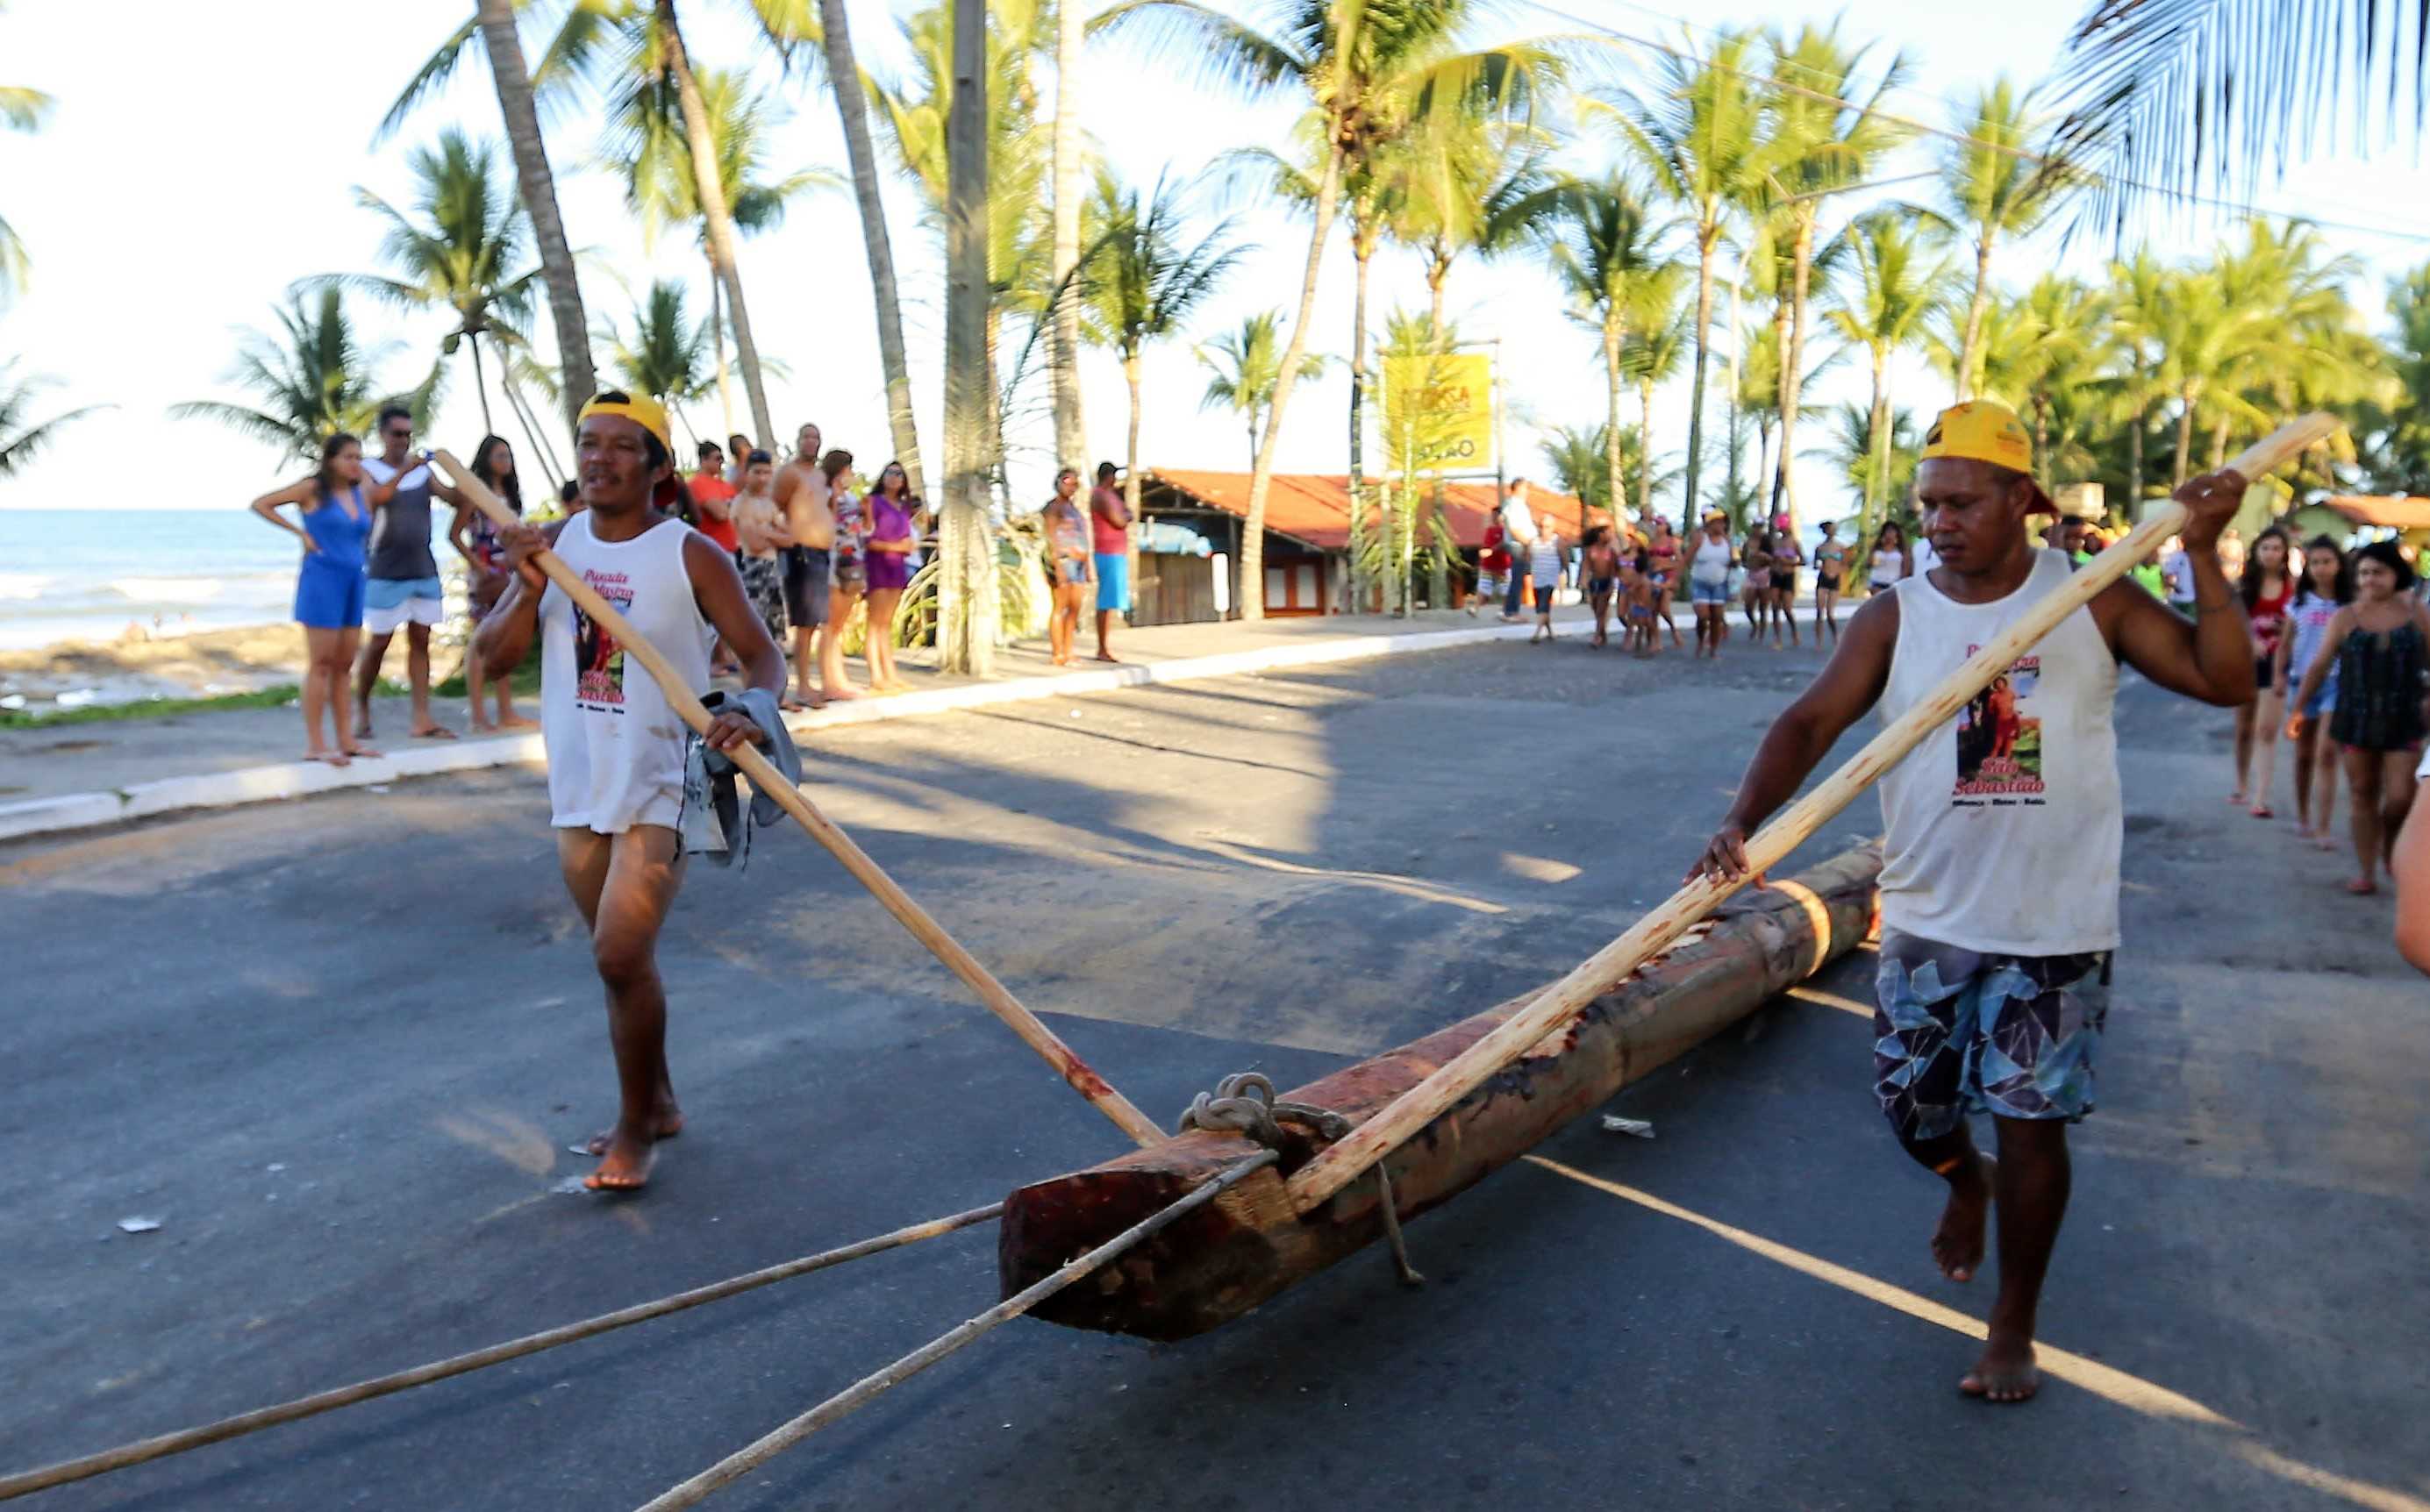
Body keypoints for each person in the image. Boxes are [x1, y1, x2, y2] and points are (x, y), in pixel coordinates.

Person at [1688, 398, 2256, 1405]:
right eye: (1927, 503)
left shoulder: (2092, 598)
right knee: (1914, 1110)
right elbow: (1812, 717)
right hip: (1925, 912)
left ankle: (2013, 1320)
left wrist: (2206, 553)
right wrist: (1742, 820)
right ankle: (1964, 1182)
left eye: (1960, 501)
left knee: (2033, 1121)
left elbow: (2224, 683)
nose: (1938, 521)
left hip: (2054, 924)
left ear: (2022, 500)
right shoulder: (1896, 614)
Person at [472, 392, 783, 1192]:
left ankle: (636, 1128)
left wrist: (751, 711)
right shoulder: (554, 545)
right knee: (623, 966)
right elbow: (494, 659)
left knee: (618, 951)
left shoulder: (689, 555)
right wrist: (523, 580)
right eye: (587, 443)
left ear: (659, 468)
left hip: (666, 780)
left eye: (619, 445)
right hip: (580, 778)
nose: (598, 458)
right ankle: (663, 1099)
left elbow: (762, 658)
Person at [2290, 539, 2430, 895]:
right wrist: (2298, 710)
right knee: (2361, 793)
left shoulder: (2416, 611)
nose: (2370, 579)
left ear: (2396, 573)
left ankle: (2390, 847)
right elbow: (2319, 666)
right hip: (2356, 717)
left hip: (2405, 717)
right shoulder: (2345, 617)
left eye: (2378, 572)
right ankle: (2366, 870)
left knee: (2401, 797)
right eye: (2364, 572)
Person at [249, 432, 381, 767]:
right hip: (323, 580)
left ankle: (347, 741)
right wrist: (301, 534)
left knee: (344, 666)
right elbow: (261, 503)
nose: (356, 463)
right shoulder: (311, 489)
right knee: (321, 664)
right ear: (331, 460)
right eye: (348, 457)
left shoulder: (360, 490)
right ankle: (317, 744)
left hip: (355, 580)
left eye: (358, 457)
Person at [354, 404, 467, 740]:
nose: (403, 440)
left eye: (408, 434)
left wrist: (462, 477)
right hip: (384, 569)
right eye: (397, 434)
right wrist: (406, 470)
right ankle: (361, 707)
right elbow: (378, 497)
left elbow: (453, 498)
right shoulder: (368, 469)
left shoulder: (423, 473)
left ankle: (422, 717)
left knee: (421, 641)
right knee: (378, 644)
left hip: (422, 568)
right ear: (383, 435)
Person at [449, 436, 537, 734]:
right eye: (499, 455)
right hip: (485, 570)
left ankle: (505, 711)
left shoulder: (510, 495)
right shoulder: (476, 494)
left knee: (504, 636)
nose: (505, 461)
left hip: (508, 570)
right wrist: (478, 567)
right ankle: (477, 714)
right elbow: (455, 535)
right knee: (479, 642)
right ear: (486, 458)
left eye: (508, 455)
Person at [2279, 536, 2351, 851]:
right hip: (2301, 682)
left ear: (2339, 564)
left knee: (2326, 753)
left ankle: (2323, 825)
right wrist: (2280, 677)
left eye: (2328, 562)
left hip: (2338, 682)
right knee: (2304, 754)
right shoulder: (2298, 604)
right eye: (2316, 563)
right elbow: (2284, 645)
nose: (2322, 569)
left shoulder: (2349, 606)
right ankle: (2304, 815)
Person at [2229, 525, 2295, 814]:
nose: (2271, 553)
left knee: (2266, 730)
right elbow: (2233, 618)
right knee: (2244, 728)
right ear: (2256, 552)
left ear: (2284, 553)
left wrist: (2287, 631)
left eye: (2276, 548)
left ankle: (2261, 797)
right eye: (2266, 547)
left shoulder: (2293, 587)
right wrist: (2249, 638)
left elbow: (2299, 622)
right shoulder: (2245, 585)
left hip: (2277, 663)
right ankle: (2242, 784)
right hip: (2246, 660)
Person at [772, 423, 834, 707]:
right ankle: (803, 686)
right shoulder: (789, 473)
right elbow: (774, 506)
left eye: (816, 437)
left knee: (818, 621)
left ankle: (817, 682)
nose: (812, 442)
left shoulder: (822, 475)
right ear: (798, 441)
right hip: (801, 553)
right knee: (804, 621)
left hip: (823, 554)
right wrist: (787, 537)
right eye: (807, 437)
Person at [862, 460, 918, 692]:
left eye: (899, 474)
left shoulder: (903, 507)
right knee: (875, 623)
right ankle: (876, 676)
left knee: (887, 624)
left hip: (897, 567)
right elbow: (867, 539)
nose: (894, 477)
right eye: (890, 472)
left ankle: (890, 673)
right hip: (877, 564)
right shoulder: (873, 503)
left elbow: (908, 537)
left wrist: (907, 546)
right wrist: (895, 547)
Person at [729, 449, 791, 650]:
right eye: (757, 472)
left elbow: (791, 538)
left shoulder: (770, 503)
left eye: (766, 472)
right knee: (755, 626)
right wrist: (774, 534)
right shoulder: (741, 503)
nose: (762, 478)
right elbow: (754, 544)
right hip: (752, 566)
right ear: (747, 473)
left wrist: (766, 532)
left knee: (775, 627)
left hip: (772, 566)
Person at [821, 449, 870, 699]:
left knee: (839, 625)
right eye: (848, 468)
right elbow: (826, 523)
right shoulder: (826, 495)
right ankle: (830, 682)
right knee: (830, 625)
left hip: (853, 560)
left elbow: (863, 530)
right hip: (833, 560)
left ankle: (840, 679)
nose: (851, 473)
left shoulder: (852, 498)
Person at [1042, 467, 1093, 666]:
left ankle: (1069, 649)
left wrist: (1088, 564)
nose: (1072, 487)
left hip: (1079, 561)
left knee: (1074, 608)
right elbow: (1050, 539)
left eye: (1075, 484)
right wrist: (1057, 565)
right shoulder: (1053, 508)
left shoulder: (1074, 509)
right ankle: (1057, 653)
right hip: (1063, 561)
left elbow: (1082, 537)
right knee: (1060, 607)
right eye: (1068, 482)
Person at [1089, 462, 1133, 661]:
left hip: (1117, 552)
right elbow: (1120, 520)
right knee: (1105, 602)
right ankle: (1101, 648)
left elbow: (1127, 513)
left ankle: (1105, 646)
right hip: (1107, 552)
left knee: (1111, 601)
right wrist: (1125, 516)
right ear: (1108, 476)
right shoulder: (1100, 495)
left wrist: (1126, 515)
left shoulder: (1113, 496)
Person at [1687, 511, 1735, 659]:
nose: (1722, 525)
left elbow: (1732, 562)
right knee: (1703, 615)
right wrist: (1676, 579)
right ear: (1710, 524)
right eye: (1718, 522)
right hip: (1700, 583)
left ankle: (1713, 648)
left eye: (1723, 522)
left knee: (1717, 617)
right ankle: (1701, 640)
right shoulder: (1700, 539)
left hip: (1720, 584)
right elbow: (1686, 559)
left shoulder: (1727, 541)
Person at [1499, 478, 1539, 622]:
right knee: (1518, 579)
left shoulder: (1516, 504)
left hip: (1522, 544)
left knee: (1518, 578)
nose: (1527, 491)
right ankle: (1511, 611)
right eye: (1525, 488)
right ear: (1518, 488)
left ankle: (1508, 609)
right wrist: (1527, 545)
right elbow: (1515, 529)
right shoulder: (1514, 505)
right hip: (1520, 545)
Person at [1582, 524, 1621, 648]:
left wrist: (1612, 584)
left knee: (1601, 609)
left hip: (1607, 580)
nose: (1610, 535)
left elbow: (1615, 568)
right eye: (1608, 532)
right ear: (1600, 535)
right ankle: (1603, 633)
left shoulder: (1612, 551)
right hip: (1595, 581)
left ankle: (1597, 636)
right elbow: (1586, 565)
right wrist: (1584, 580)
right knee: (1595, 608)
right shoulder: (1591, 549)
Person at [1647, 515, 1682, 651]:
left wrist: (1665, 566)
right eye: (1656, 524)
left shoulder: (1672, 541)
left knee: (1664, 609)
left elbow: (1680, 561)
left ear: (1667, 526)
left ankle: (1673, 629)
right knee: (1653, 610)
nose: (1658, 527)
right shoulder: (1652, 541)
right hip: (1654, 576)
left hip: (1668, 576)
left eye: (1660, 524)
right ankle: (1656, 641)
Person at [1767, 514, 1803, 648]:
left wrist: (1789, 562)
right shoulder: (1775, 542)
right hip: (1776, 575)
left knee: (1787, 608)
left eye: (1784, 528)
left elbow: (1802, 560)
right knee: (1775, 607)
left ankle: (1794, 632)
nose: (1782, 530)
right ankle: (1777, 638)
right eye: (1780, 528)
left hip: (1788, 575)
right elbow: (1770, 558)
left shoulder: (1794, 542)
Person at [1530, 519, 1565, 642]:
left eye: (1547, 527)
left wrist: (1563, 572)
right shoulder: (1533, 542)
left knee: (1544, 605)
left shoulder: (1557, 541)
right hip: (1537, 578)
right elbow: (1529, 557)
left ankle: (1537, 633)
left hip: (1550, 578)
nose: (1544, 529)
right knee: (1540, 606)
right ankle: (1550, 632)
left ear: (1553, 527)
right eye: (1541, 526)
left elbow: (1564, 557)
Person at [1812, 519, 1847, 643]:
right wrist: (1820, 566)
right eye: (1829, 530)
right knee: (1819, 612)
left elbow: (1845, 565)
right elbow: (1815, 565)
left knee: (1830, 613)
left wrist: (1836, 572)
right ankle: (1819, 640)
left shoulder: (1840, 547)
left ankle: (1835, 635)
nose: (1831, 532)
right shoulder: (1820, 548)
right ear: (1825, 531)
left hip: (1835, 578)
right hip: (1823, 578)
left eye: (1833, 530)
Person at [1740, 526, 1774, 643]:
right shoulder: (1747, 543)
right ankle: (1754, 624)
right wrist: (1748, 563)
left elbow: (1774, 559)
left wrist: (1764, 556)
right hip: (1751, 574)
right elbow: (1743, 559)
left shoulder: (1766, 542)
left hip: (1764, 573)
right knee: (1748, 605)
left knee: (1763, 607)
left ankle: (1761, 633)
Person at [1476, 510, 1509, 617]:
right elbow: (1486, 545)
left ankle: (1504, 609)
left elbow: (1504, 543)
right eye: (1492, 515)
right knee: (1483, 586)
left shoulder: (1506, 530)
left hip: (1503, 565)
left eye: (1496, 515)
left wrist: (1491, 551)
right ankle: (1476, 608)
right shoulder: (1489, 530)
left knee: (1505, 587)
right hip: (1488, 565)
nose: (1493, 518)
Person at [2160, 534, 2199, 617]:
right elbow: (2167, 576)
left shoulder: (2196, 556)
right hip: (2177, 599)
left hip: (2192, 599)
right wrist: (2175, 587)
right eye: (2178, 542)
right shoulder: (2176, 557)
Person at [1870, 520, 1912, 595]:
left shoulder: (1902, 549)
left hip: (1893, 584)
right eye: (1887, 530)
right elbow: (1871, 564)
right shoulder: (1877, 548)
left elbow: (1906, 568)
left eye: (1892, 530)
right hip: (1877, 582)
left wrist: (1900, 582)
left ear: (1897, 533)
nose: (1890, 533)